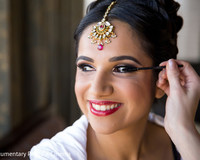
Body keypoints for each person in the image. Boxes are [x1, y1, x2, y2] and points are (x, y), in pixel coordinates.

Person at [30, 0, 200, 159]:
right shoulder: (53, 156)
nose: (97, 88)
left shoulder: (185, 143)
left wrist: (184, 132)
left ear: (163, 79)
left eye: (122, 68)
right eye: (86, 67)